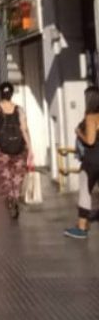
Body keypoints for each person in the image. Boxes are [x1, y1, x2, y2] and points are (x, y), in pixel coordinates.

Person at [0, 82, 33, 219]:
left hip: (2, 149)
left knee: (4, 174)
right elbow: (24, 129)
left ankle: (10, 196)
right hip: (19, 147)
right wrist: (30, 147)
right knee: (18, 175)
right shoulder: (19, 109)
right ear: (12, 94)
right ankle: (15, 196)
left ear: (1, 93)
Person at [64, 85, 99, 239]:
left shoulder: (91, 117)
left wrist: (79, 132)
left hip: (92, 160)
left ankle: (81, 227)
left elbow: (90, 141)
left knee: (85, 191)